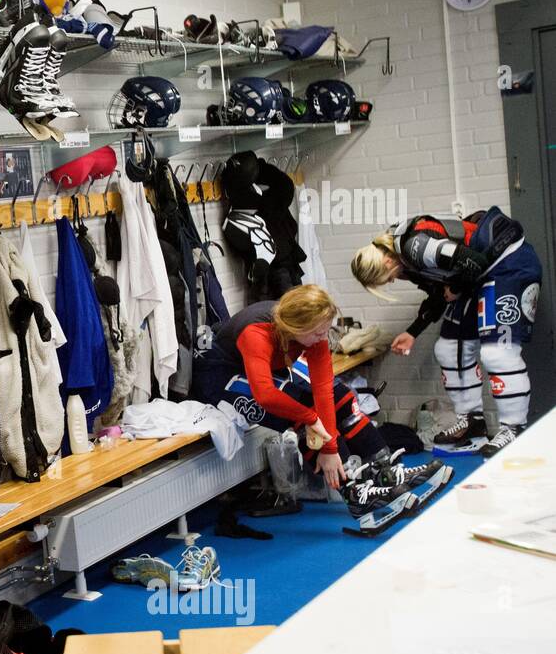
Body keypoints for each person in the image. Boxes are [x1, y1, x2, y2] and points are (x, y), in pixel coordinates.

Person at [193, 285, 451, 533]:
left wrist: (329, 447)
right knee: (297, 411)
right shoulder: (256, 333)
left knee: (340, 394)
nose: (323, 338)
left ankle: (385, 471)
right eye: (319, 333)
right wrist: (311, 420)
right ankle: (355, 492)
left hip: (267, 365)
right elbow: (266, 396)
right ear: (299, 327)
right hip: (220, 374)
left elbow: (324, 390)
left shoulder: (311, 334)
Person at [351, 209, 541, 457]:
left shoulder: (414, 246)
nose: (390, 282)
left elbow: (472, 262)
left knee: (498, 352)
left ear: (386, 262)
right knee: (449, 348)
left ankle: (514, 428)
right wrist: (412, 332)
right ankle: (472, 421)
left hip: (508, 264)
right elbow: (440, 295)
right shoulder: (406, 262)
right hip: (479, 278)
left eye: (385, 279)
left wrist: (456, 287)